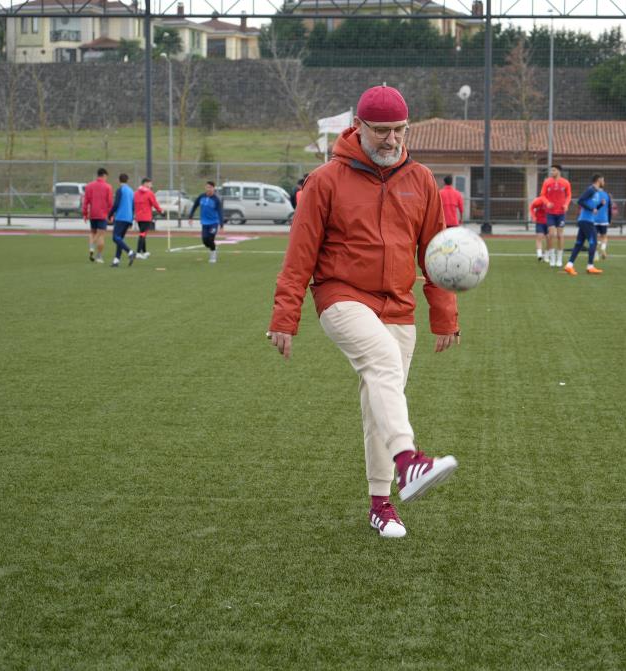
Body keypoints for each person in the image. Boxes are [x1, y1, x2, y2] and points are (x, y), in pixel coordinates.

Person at [267, 85, 460, 539]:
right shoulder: (325, 180)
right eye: (383, 131)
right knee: (383, 363)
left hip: (398, 304)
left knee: (381, 397)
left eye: (400, 130)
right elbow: (299, 254)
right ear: (359, 128)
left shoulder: (421, 180)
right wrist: (284, 316)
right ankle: (410, 462)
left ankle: (381, 505)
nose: (393, 140)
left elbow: (437, 253)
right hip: (341, 296)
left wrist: (445, 315)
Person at [563, 173, 605, 276]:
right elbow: (580, 201)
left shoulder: (596, 192)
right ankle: (590, 266)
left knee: (579, 244)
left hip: (585, 220)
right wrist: (592, 209)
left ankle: (569, 266)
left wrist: (600, 205)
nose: (604, 182)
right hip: (586, 221)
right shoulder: (591, 190)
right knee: (593, 242)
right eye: (603, 180)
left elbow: (592, 208)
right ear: (598, 180)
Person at [539, 164, 572, 267]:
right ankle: (551, 257)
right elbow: (542, 195)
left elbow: (569, 195)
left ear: (558, 171)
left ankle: (559, 258)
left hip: (561, 213)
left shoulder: (565, 182)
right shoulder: (547, 182)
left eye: (553, 170)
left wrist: (566, 205)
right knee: (551, 234)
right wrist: (547, 203)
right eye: (551, 170)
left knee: (560, 235)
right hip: (550, 213)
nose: (551, 172)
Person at [188, 181, 224, 263]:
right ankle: (213, 246)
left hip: (214, 223)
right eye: (207, 187)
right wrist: (190, 217)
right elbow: (195, 206)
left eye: (210, 187)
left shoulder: (216, 200)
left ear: (213, 189)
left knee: (210, 238)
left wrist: (221, 224)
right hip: (204, 223)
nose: (208, 189)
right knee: (205, 241)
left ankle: (213, 254)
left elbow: (220, 212)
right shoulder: (201, 197)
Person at [83, 167, 112, 264]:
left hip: (93, 214)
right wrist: (111, 215)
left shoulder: (89, 186)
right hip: (102, 214)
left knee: (92, 232)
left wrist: (85, 213)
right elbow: (110, 203)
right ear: (104, 175)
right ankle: (97, 254)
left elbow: (85, 201)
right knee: (101, 235)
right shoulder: (108, 187)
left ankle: (92, 247)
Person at [108, 173, 136, 267]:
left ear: (119, 180)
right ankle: (116, 261)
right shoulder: (131, 191)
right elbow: (133, 206)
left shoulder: (120, 190)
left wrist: (110, 214)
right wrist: (131, 219)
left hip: (121, 217)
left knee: (115, 237)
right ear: (127, 180)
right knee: (120, 239)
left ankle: (130, 252)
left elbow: (116, 204)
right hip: (128, 218)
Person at [133, 177, 162, 260]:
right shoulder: (149, 193)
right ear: (145, 183)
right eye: (150, 183)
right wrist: (160, 211)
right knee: (142, 234)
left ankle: (144, 252)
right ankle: (138, 252)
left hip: (139, 217)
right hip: (146, 217)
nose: (151, 185)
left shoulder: (136, 193)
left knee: (143, 233)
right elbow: (154, 203)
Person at [594, 184, 613, 259]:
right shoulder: (606, 195)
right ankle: (603, 249)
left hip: (594, 219)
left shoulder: (594, 194)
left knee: (594, 237)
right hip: (604, 219)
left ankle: (595, 255)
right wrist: (609, 219)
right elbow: (609, 208)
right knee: (604, 236)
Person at [530, 196, 548, 260]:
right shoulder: (539, 200)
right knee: (539, 237)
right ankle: (539, 255)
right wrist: (533, 216)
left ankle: (546, 255)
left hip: (550, 223)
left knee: (549, 239)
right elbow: (531, 207)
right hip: (540, 222)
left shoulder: (553, 199)